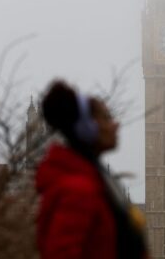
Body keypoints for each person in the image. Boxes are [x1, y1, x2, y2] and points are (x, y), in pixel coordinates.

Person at [35, 80, 149, 259]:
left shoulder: (97, 182)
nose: (115, 125)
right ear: (87, 129)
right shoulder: (78, 190)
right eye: (106, 118)